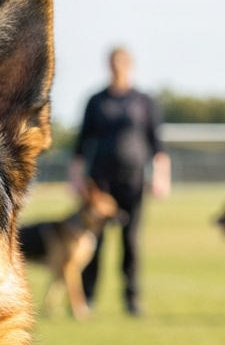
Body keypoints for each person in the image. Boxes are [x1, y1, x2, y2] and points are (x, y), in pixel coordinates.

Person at [69, 47, 170, 316]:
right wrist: (75, 179)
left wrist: (161, 178)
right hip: (99, 185)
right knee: (93, 242)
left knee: (131, 242)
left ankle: (132, 299)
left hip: (133, 182)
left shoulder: (143, 101)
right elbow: (81, 144)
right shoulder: (96, 101)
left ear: (130, 66)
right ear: (108, 66)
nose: (117, 68)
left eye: (122, 63)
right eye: (113, 63)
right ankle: (87, 298)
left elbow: (157, 144)